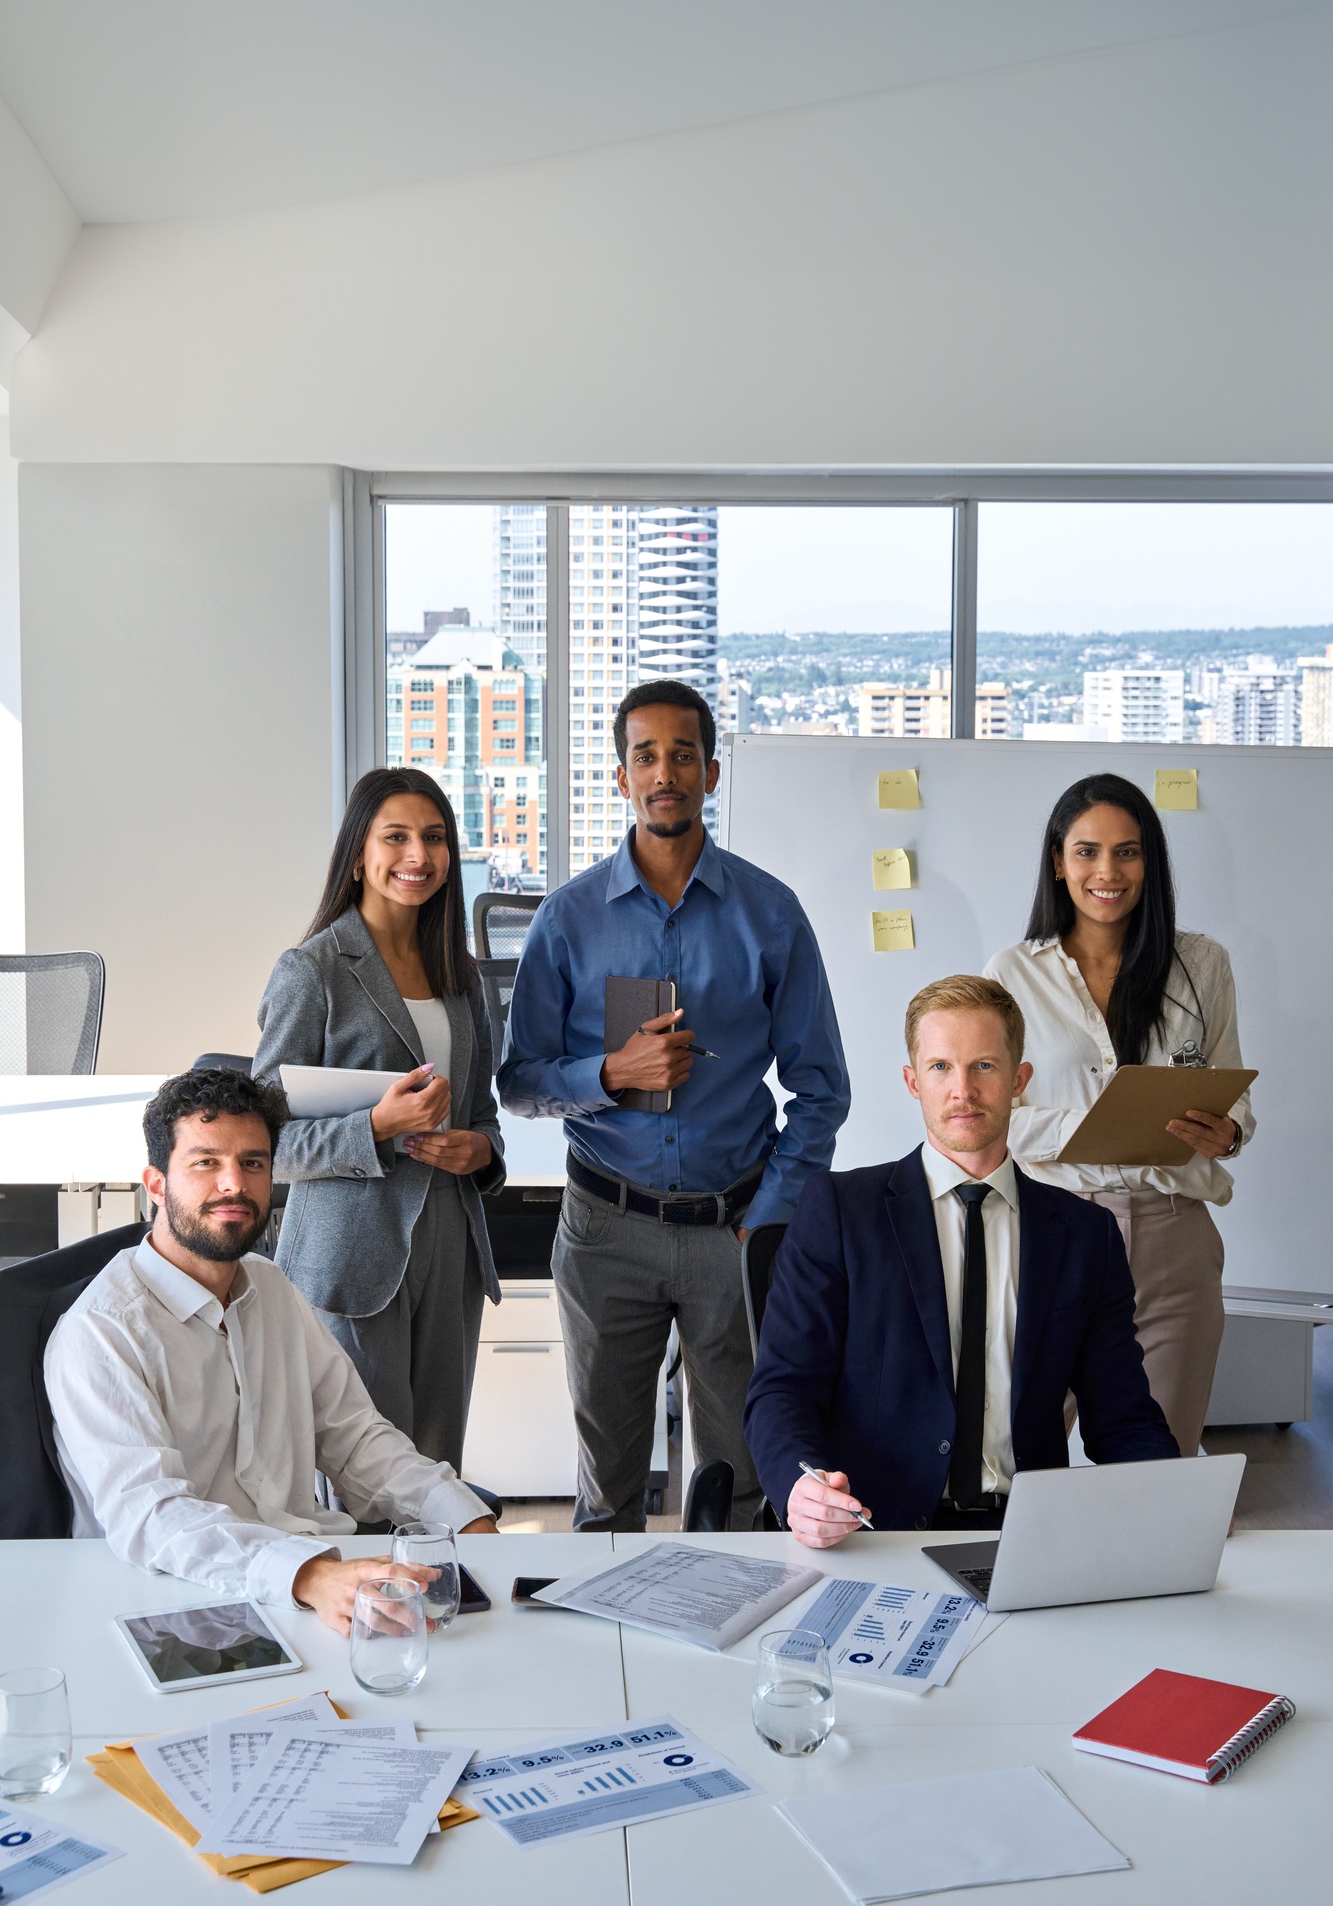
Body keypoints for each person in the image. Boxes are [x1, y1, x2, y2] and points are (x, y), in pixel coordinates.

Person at [499, 679, 850, 1531]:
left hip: (732, 1228)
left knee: (738, 1482)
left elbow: (821, 1089)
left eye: (683, 755)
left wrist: (770, 1215)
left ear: (711, 772)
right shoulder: (567, 918)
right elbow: (519, 1082)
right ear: (621, 777)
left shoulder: (771, 915)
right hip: (605, 1230)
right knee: (607, 1487)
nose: (665, 773)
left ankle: (730, 1614)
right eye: (646, 756)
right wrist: (611, 1072)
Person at [44, 1069, 497, 1636]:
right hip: (177, 1603)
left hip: (305, 1585)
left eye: (253, 1163)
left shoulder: (270, 1286)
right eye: (206, 1162)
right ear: (156, 1185)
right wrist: (308, 1576)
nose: (234, 1184)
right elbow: (153, 1518)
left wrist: (460, 1514)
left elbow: (355, 1438)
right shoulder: (100, 1332)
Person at [744, 975, 1177, 1548]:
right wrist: (800, 1489)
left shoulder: (1083, 1234)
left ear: (1020, 1079)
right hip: (871, 1531)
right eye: (941, 1067)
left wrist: (1174, 1499)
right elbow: (783, 1388)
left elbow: (1123, 1417)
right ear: (913, 1081)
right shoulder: (840, 1211)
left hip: (1026, 1536)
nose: (963, 1090)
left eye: (985, 1066)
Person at [983, 772, 1253, 1459]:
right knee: (1013, 1459)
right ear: (1057, 861)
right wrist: (1095, 1128)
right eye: (1087, 851)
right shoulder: (1012, 973)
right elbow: (990, 1116)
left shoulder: (1202, 964)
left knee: (1159, 1463)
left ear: (1148, 862)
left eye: (1127, 852)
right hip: (1052, 1234)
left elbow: (1234, 1098)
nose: (1107, 872)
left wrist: (1227, 1133)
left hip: (1173, 1242)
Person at [252, 768, 505, 1468]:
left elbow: (484, 1115)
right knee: (365, 1474)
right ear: (358, 856)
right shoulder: (313, 971)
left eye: (434, 837)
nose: (418, 855)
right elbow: (261, 1143)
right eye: (395, 837)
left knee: (437, 1470)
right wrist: (375, 1128)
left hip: (448, 1243)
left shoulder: (460, 974)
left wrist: (480, 1151)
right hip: (350, 1252)